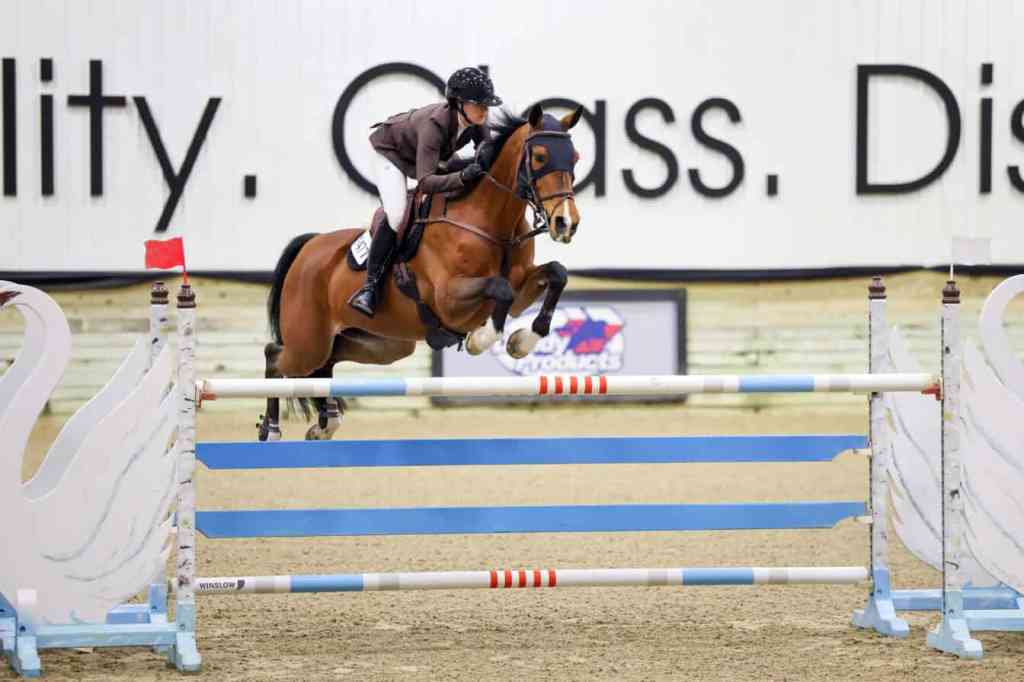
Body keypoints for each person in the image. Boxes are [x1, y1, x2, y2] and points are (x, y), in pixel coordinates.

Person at [348, 67, 503, 318]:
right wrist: (463, 176)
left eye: (487, 105)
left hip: (431, 156)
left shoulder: (477, 121)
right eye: (479, 104)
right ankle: (370, 288)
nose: (485, 110)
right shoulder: (434, 125)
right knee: (397, 215)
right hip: (392, 154)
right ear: (458, 103)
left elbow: (487, 156)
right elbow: (427, 182)